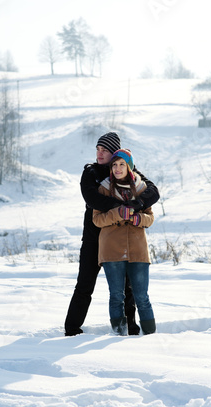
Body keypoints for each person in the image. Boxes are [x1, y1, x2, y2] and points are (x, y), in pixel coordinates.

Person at [64, 132, 159, 336]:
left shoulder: (125, 170)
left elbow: (153, 191)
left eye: (105, 150)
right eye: (98, 149)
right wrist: (123, 207)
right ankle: (71, 329)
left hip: (119, 241)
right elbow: (93, 199)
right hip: (94, 239)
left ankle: (131, 329)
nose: (100, 154)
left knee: (127, 290)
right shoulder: (91, 173)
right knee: (85, 285)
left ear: (115, 153)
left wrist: (138, 204)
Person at [93, 149, 156, 335]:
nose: (117, 168)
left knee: (142, 297)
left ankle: (151, 337)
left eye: (122, 164)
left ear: (129, 166)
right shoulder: (104, 188)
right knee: (116, 296)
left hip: (138, 249)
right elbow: (97, 220)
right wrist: (117, 214)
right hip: (111, 249)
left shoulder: (142, 188)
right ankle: (118, 338)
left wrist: (138, 219)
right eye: (114, 165)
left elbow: (150, 218)